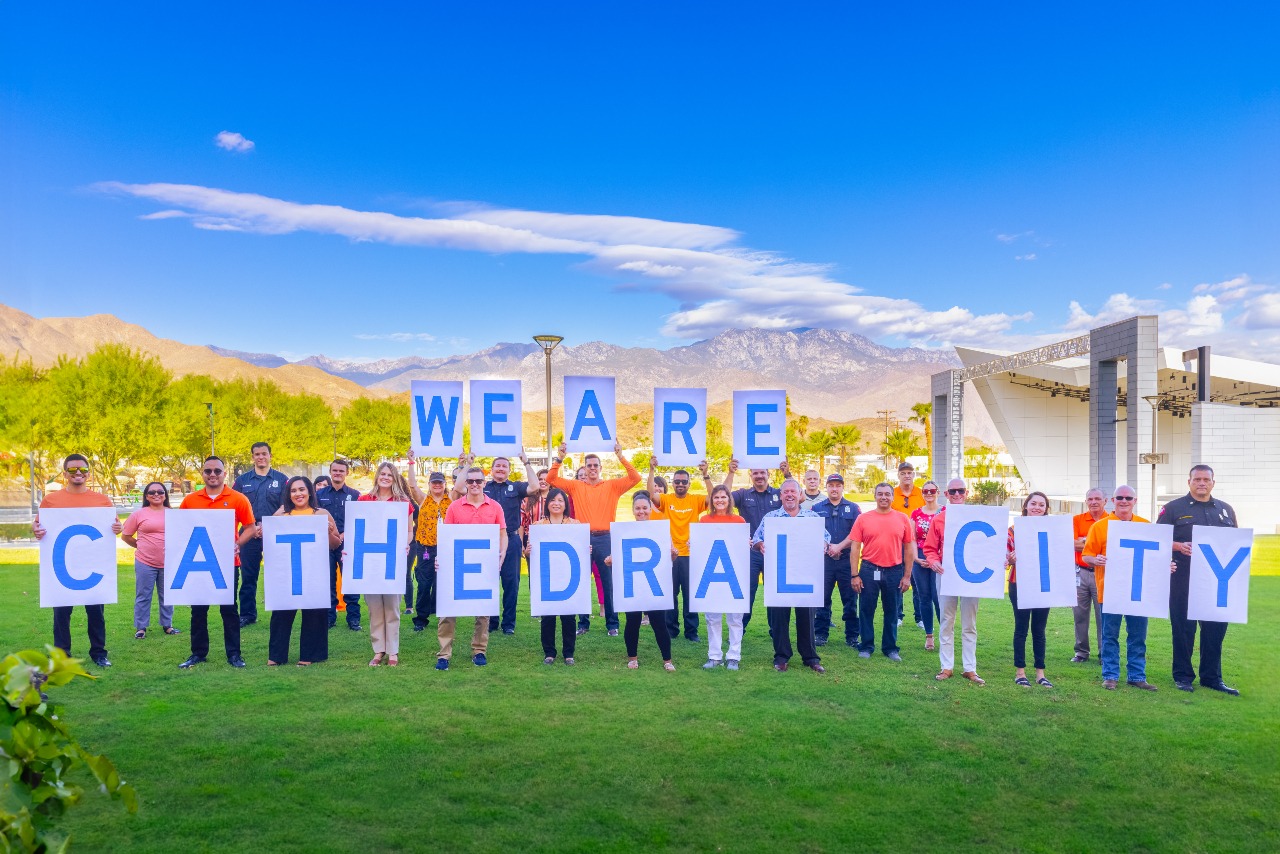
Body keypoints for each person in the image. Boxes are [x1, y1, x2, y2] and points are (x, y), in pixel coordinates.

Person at [31, 453, 123, 667]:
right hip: (63, 565)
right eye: (73, 470)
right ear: (65, 474)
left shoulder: (102, 500)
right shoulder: (50, 500)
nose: (78, 473)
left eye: (82, 470)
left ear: (88, 473)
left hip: (93, 563)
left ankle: (99, 653)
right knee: (61, 613)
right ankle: (62, 656)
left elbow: (114, 528)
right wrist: (35, 529)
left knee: (96, 612)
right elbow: (38, 526)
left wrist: (118, 529)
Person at [1159, 465, 1240, 695]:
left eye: (1206, 479)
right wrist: (1176, 546)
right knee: (1184, 630)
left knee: (1215, 630)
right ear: (1189, 482)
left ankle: (1212, 678)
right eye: (1197, 479)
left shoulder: (1225, 510)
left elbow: (1234, 542)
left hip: (1217, 582)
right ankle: (1183, 676)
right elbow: (1157, 540)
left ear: (1213, 482)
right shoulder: (1173, 509)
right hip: (1183, 579)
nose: (1202, 483)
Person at [547, 441, 641, 637]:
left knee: (608, 582)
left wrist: (621, 456)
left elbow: (635, 477)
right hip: (582, 537)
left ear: (600, 468)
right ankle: (583, 623)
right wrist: (559, 458)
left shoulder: (612, 486)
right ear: (585, 468)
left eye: (595, 465)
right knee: (581, 581)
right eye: (588, 465)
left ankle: (612, 624)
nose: (592, 468)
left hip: (606, 537)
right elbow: (551, 478)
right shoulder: (576, 486)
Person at [178, 456, 256, 669]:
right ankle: (198, 653)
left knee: (229, 609)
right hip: (198, 564)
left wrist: (237, 543)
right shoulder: (190, 500)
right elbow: (181, 527)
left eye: (217, 471)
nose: (213, 475)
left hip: (228, 563)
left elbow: (251, 527)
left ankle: (234, 654)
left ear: (224, 474)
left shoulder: (238, 498)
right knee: (198, 610)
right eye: (208, 471)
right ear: (202, 474)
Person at [450, 451, 537, 636]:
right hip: (485, 541)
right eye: (497, 466)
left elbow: (535, 486)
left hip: (510, 539)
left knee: (511, 582)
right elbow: (458, 487)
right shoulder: (481, 485)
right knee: (488, 581)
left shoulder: (515, 487)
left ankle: (509, 623)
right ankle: (491, 621)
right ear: (491, 470)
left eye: (504, 466)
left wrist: (526, 462)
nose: (500, 469)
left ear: (509, 470)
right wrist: (468, 464)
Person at [1081, 485, 1159, 691]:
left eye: (1128, 498)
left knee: (1138, 635)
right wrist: (1095, 559)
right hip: (1110, 590)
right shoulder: (1100, 526)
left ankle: (1136, 675)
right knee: (1109, 635)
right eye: (1120, 498)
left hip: (1137, 590)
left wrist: (1164, 565)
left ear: (1135, 500)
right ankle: (1110, 675)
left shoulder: (1145, 525)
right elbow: (1086, 555)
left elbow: (1154, 557)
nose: (1124, 501)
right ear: (1113, 501)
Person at [752, 479, 829, 673]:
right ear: (780, 496)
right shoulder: (771, 517)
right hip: (779, 575)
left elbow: (826, 538)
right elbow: (756, 538)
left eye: (792, 492)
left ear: (799, 494)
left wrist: (825, 545)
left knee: (806, 617)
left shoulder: (811, 518)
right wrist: (760, 545)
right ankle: (781, 656)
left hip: (805, 575)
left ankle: (810, 657)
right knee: (779, 617)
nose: (789, 495)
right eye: (785, 492)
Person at [436, 466, 508, 670]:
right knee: (448, 610)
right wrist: (441, 558)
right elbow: (446, 536)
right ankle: (443, 653)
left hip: (484, 564)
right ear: (465, 484)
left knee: (483, 611)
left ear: (485, 483)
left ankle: (479, 650)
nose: (474, 484)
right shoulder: (454, 507)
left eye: (478, 481)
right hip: (457, 564)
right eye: (470, 481)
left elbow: (503, 534)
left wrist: (501, 553)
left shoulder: (495, 507)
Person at [268, 476, 340, 666]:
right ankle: (276, 655)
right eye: (293, 490)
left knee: (314, 611)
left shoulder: (321, 514)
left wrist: (328, 531)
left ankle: (309, 655)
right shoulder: (281, 516)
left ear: (310, 492)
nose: (298, 494)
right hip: (288, 570)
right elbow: (269, 539)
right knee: (282, 611)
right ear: (288, 494)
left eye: (301, 489)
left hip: (315, 570)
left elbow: (336, 544)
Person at [921, 479, 984, 684]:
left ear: (967, 493)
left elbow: (989, 545)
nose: (957, 494)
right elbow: (929, 548)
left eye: (961, 491)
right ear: (946, 494)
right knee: (946, 621)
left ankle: (970, 668)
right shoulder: (939, 520)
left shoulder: (978, 517)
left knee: (969, 623)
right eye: (953, 491)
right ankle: (946, 666)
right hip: (946, 574)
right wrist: (934, 562)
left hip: (971, 577)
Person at [849, 483, 916, 661]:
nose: (884, 497)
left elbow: (909, 549)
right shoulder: (863, 519)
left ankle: (890, 648)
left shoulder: (902, 519)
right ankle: (866, 646)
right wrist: (854, 574)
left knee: (892, 611)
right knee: (866, 609)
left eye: (887, 494)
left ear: (893, 497)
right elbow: (855, 548)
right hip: (870, 569)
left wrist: (907, 575)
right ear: (875, 496)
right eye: (880, 494)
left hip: (894, 570)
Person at [648, 457, 713, 642]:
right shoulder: (667, 499)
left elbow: (713, 498)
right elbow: (650, 494)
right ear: (673, 483)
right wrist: (652, 470)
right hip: (670, 554)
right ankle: (671, 630)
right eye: (677, 482)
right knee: (671, 595)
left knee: (690, 595)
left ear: (689, 483)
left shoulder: (695, 500)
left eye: (684, 482)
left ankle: (691, 632)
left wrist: (706, 474)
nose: (681, 484)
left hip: (691, 554)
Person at [355, 462, 413, 667]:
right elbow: (357, 530)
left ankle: (393, 652)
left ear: (394, 478)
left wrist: (405, 545)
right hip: (370, 561)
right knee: (374, 607)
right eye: (383, 473)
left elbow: (408, 531)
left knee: (392, 607)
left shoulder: (403, 503)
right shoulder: (363, 501)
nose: (386, 477)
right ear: (377, 476)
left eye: (390, 474)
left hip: (391, 560)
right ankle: (378, 650)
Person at [612, 491, 675, 670]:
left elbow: (669, 558)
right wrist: (611, 560)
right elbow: (618, 556)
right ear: (633, 510)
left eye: (644, 508)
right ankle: (633, 658)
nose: (641, 511)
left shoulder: (660, 530)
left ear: (650, 509)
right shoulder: (624, 531)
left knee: (658, 622)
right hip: (633, 583)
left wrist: (674, 555)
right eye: (638, 508)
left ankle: (667, 660)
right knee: (632, 621)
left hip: (653, 583)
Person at [726, 457, 792, 629]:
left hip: (775, 552)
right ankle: (739, 631)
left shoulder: (779, 494)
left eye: (762, 472)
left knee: (774, 594)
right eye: (755, 473)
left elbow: (797, 497)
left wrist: (787, 475)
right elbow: (724, 498)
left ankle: (775, 630)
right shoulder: (743, 495)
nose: (759, 476)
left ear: (768, 474)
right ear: (750, 475)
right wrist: (731, 472)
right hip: (750, 552)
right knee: (747, 593)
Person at [231, 442, 288, 628]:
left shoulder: (282, 479)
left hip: (274, 535)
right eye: (257, 454)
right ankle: (248, 614)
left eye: (264, 453)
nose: (260, 457)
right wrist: (252, 527)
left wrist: (267, 524)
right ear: (252, 457)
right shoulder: (241, 481)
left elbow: (285, 506)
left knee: (278, 575)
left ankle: (280, 612)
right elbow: (235, 506)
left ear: (270, 455)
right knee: (248, 576)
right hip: (249, 534)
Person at [1006, 492, 1053, 688]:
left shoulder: (1053, 530)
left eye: (1041, 505)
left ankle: (1040, 673)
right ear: (1025, 506)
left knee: (1039, 630)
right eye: (1033, 503)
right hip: (1020, 583)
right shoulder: (1013, 530)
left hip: (1043, 584)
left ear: (1046, 509)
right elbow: (1005, 557)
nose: (1037, 507)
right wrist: (1011, 558)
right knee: (1021, 628)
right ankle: (1020, 672)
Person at [121, 481, 179, 639]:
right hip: (145, 562)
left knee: (167, 594)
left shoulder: (172, 513)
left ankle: (167, 625)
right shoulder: (139, 514)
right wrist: (140, 546)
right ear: (146, 496)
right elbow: (126, 536)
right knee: (143, 595)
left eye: (160, 492)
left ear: (165, 495)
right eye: (152, 492)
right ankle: (141, 628)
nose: (156, 495)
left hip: (168, 562)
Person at [699, 484, 748, 670]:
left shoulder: (739, 521)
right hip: (711, 573)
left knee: (735, 617)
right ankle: (715, 656)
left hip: (734, 573)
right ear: (712, 500)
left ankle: (734, 656)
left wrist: (747, 542)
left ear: (729, 500)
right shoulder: (704, 521)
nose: (719, 500)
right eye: (716, 497)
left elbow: (742, 548)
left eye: (723, 497)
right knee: (713, 617)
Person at [533, 488, 582, 665]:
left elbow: (581, 550)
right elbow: (531, 552)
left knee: (569, 615)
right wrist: (529, 551)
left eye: (561, 500)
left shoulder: (575, 525)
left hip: (568, 574)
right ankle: (549, 652)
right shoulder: (538, 526)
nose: (556, 503)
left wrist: (586, 549)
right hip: (547, 576)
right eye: (553, 500)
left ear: (565, 504)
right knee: (548, 616)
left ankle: (569, 653)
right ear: (547, 504)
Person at [811, 473, 860, 648]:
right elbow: (812, 531)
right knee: (822, 599)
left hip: (847, 561)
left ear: (842, 487)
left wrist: (839, 547)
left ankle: (852, 636)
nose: (834, 488)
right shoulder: (817, 509)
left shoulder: (853, 508)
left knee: (850, 600)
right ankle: (821, 634)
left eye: (838, 485)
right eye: (831, 485)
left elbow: (856, 534)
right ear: (826, 487)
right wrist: (828, 546)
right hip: (824, 561)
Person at [405, 455, 451, 633]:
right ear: (430, 484)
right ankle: (421, 618)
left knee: (444, 584)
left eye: (440, 482)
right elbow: (412, 485)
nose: (437, 485)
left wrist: (465, 463)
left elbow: (462, 484)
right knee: (424, 585)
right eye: (434, 483)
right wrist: (411, 463)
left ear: (445, 484)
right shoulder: (424, 499)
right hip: (425, 548)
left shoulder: (452, 499)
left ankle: (442, 614)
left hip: (446, 548)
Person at [317, 459, 361, 630]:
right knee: (327, 581)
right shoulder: (319, 495)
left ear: (346, 473)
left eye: (341, 471)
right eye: (335, 470)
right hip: (325, 543)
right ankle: (329, 618)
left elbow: (357, 520)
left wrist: (342, 534)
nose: (337, 473)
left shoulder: (355, 495)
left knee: (350, 581)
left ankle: (353, 619)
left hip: (347, 543)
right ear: (330, 472)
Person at [1070, 488, 1108, 663]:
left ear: (1105, 501)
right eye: (1090, 499)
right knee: (1080, 614)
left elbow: (1110, 546)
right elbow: (1072, 544)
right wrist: (1093, 543)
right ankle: (1081, 652)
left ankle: (1104, 652)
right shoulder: (1077, 520)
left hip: (1103, 574)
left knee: (1104, 616)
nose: (1094, 502)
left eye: (1097, 499)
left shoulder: (1111, 521)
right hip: (1081, 572)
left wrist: (1084, 541)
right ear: (1086, 501)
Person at [909, 481, 943, 652]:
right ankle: (929, 636)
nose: (929, 493)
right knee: (924, 596)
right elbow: (912, 537)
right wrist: (915, 558)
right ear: (922, 494)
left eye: (932, 490)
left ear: (938, 492)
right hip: (921, 557)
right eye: (925, 491)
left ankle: (944, 634)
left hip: (939, 558)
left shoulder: (945, 512)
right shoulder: (916, 514)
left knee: (939, 597)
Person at [891, 461, 924, 628]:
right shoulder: (892, 493)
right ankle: (898, 615)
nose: (906, 475)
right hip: (896, 543)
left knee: (918, 581)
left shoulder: (921, 493)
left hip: (918, 544)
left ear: (914, 475)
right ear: (898, 475)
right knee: (898, 579)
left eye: (909, 473)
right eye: (903, 473)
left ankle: (920, 617)